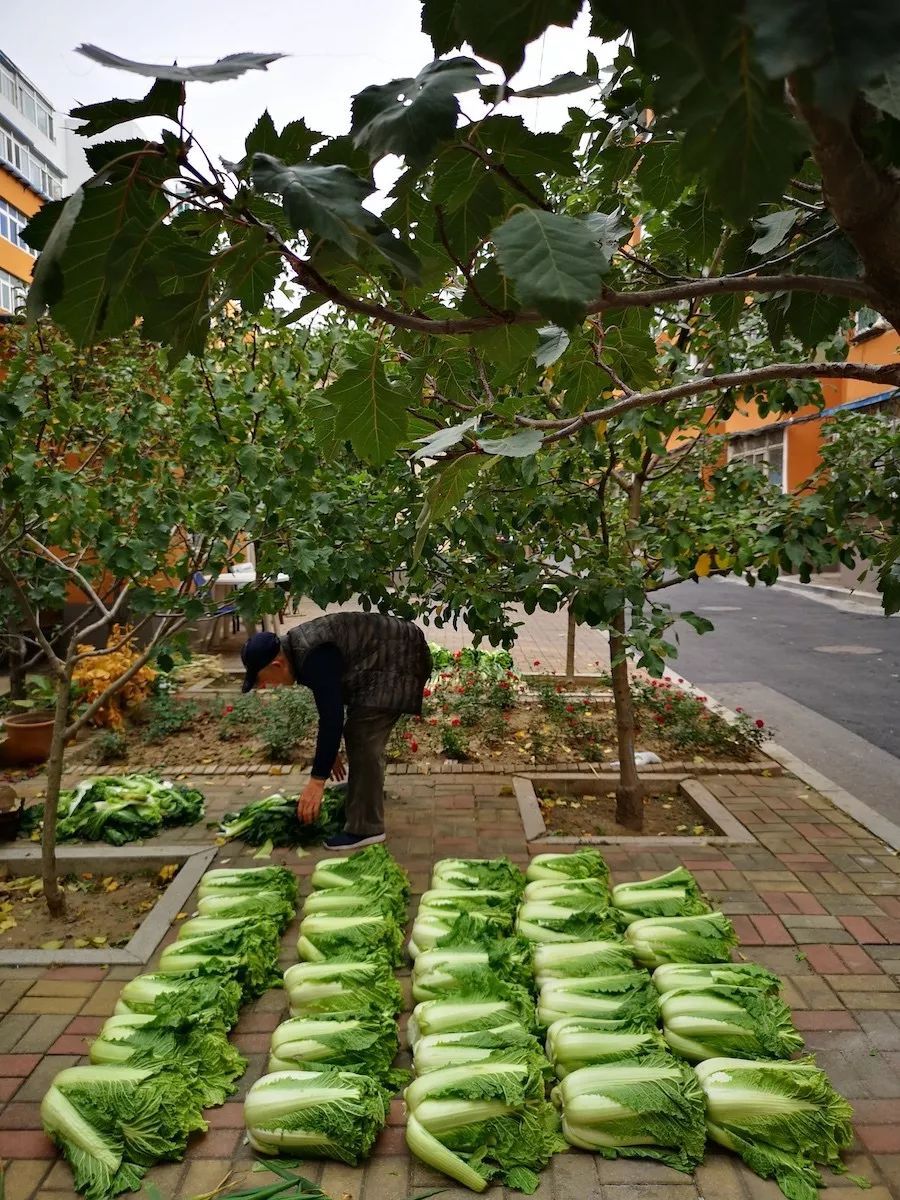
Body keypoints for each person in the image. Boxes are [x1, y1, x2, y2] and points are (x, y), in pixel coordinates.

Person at [239, 612, 431, 850]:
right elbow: (330, 709)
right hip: (386, 658)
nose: (264, 686)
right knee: (358, 731)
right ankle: (364, 795)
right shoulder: (301, 651)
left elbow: (332, 718)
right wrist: (329, 754)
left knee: (362, 735)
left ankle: (366, 827)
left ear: (276, 664)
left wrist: (316, 782)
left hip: (400, 658)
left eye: (260, 680)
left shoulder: (312, 657)